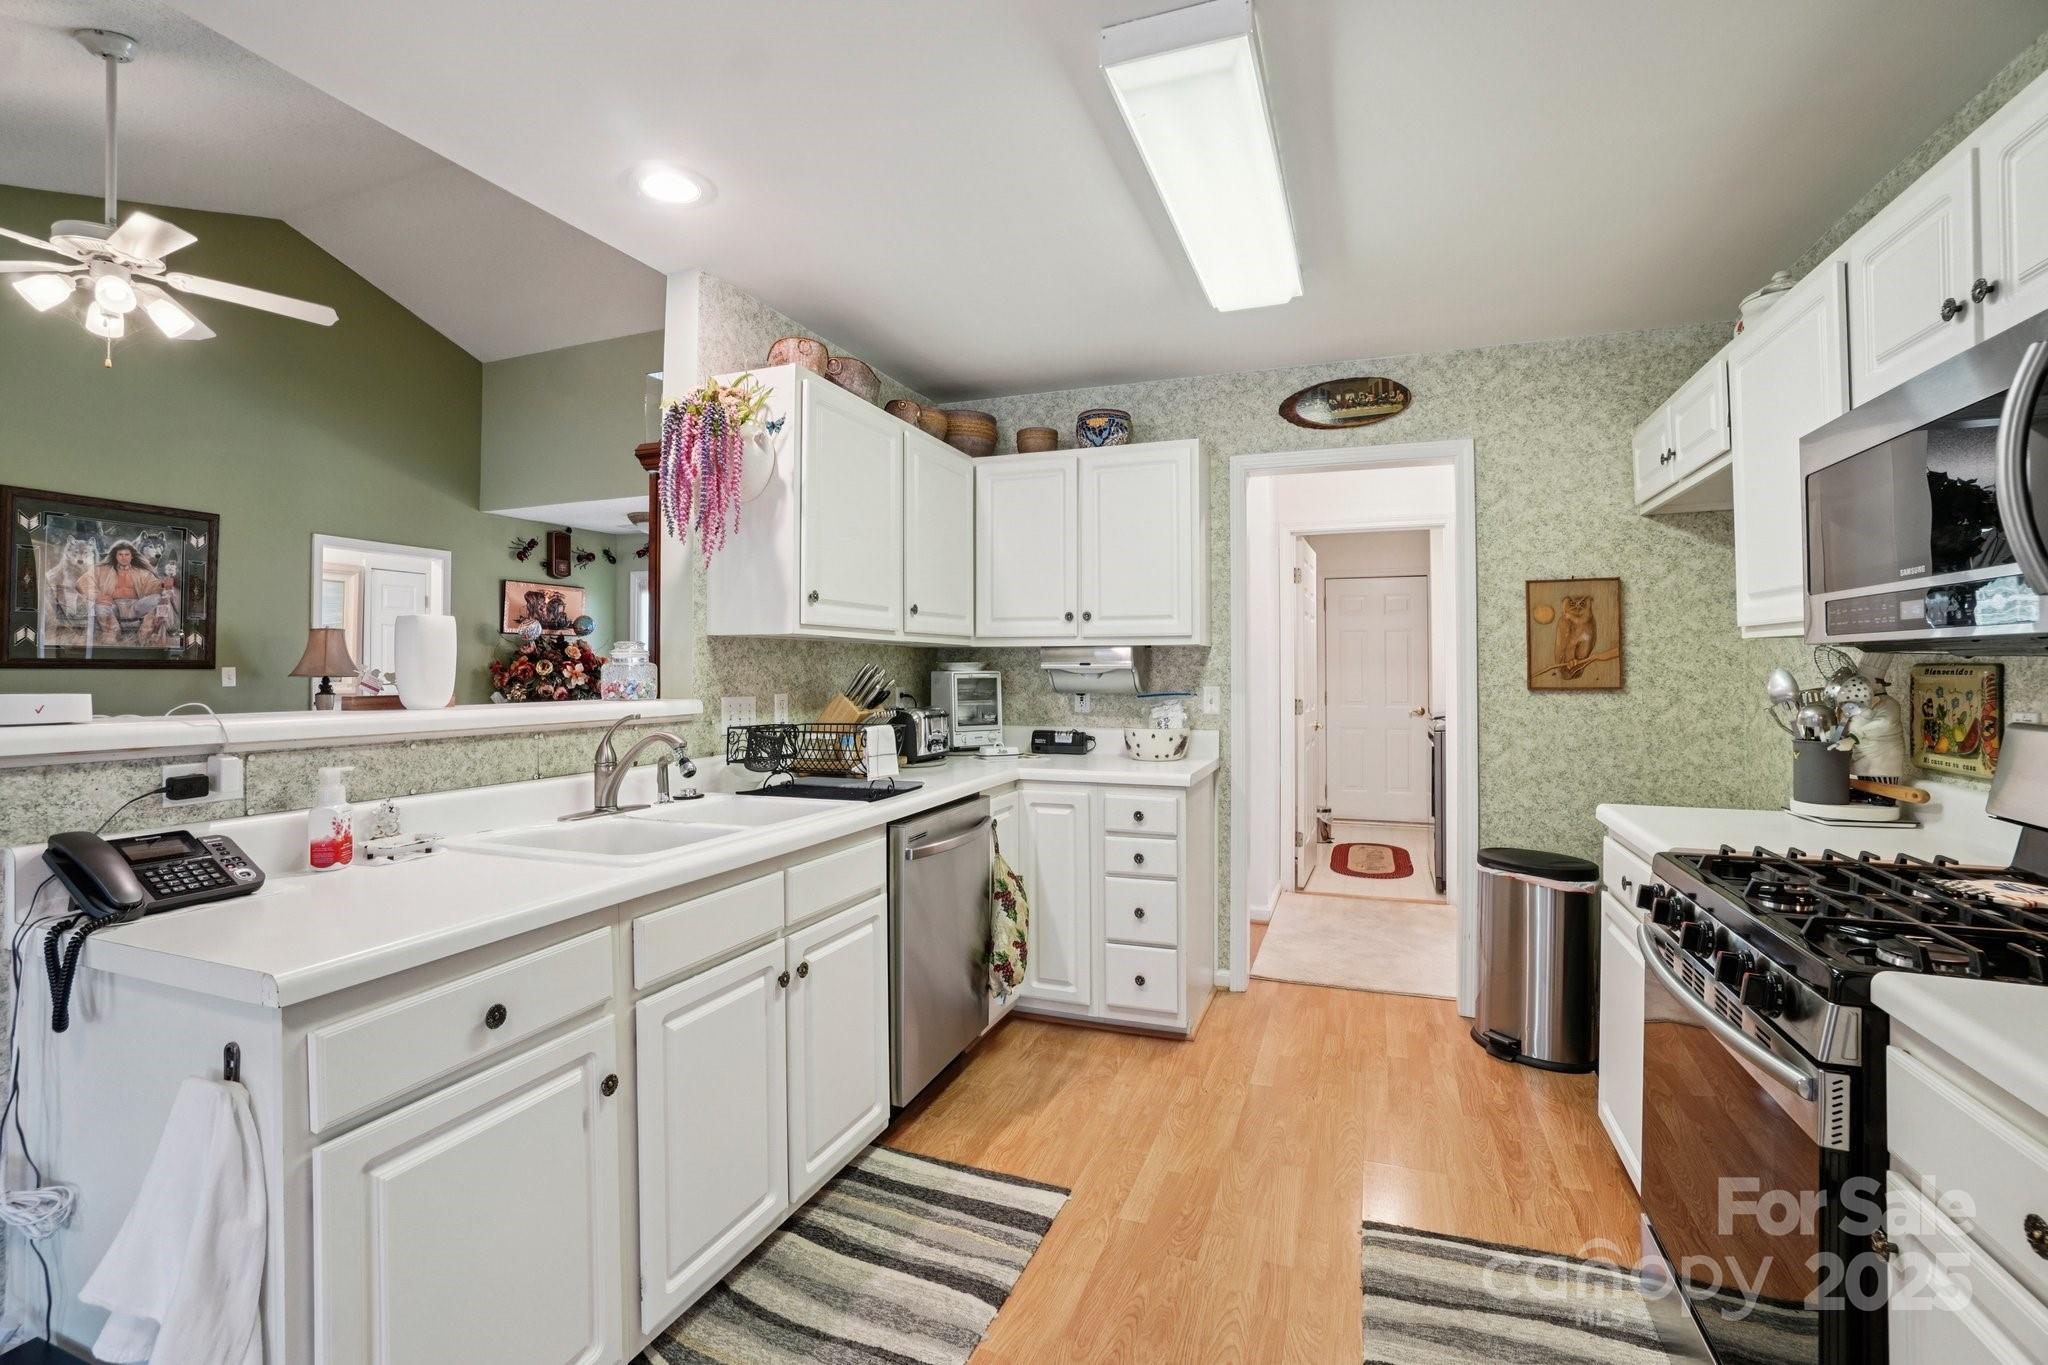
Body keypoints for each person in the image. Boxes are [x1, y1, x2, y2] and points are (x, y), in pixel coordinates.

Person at [80, 540, 163, 642]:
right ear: (116, 556)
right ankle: (114, 638)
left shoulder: (142, 572)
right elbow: (82, 582)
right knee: (100, 605)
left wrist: (163, 584)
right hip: (112, 606)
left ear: (132, 556)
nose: (124, 557)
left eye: (127, 554)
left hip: (135, 607)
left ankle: (143, 638)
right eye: (120, 554)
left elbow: (154, 585)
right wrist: (97, 596)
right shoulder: (102, 570)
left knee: (157, 599)